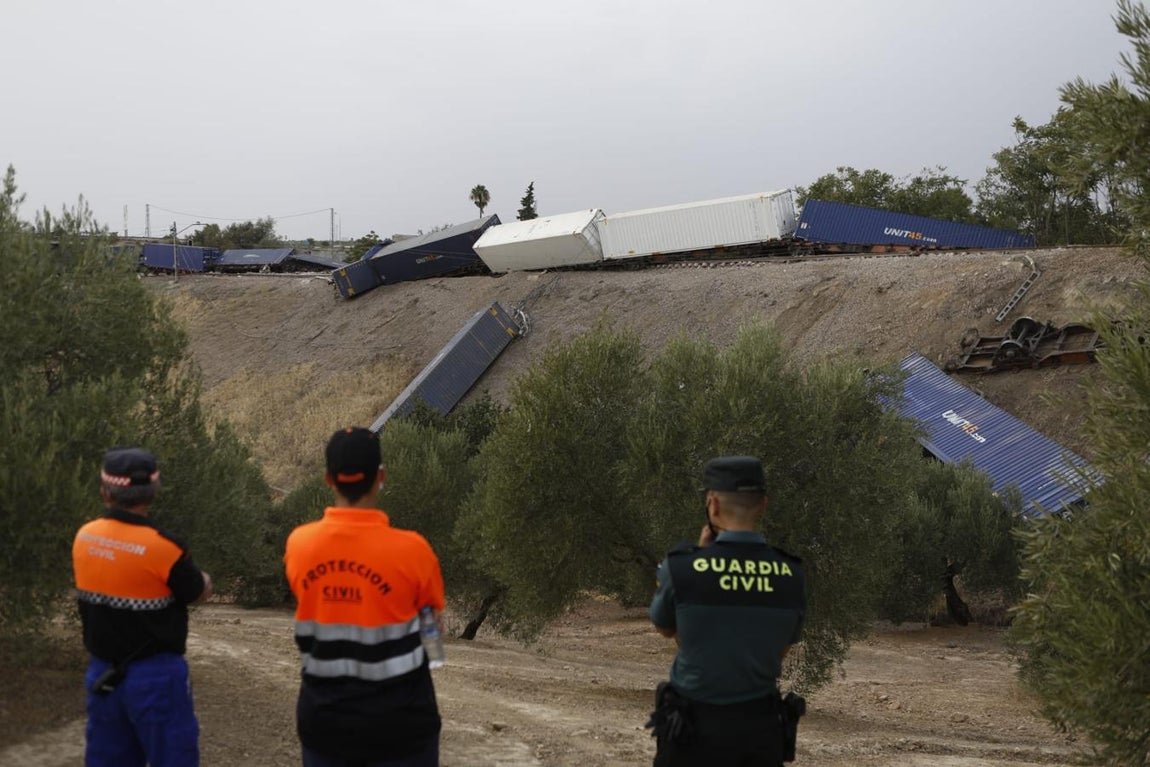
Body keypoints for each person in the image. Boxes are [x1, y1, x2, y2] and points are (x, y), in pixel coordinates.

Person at [284, 427, 446, 767]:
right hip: (403, 728)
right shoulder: (414, 550)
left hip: (325, 724)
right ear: (381, 477)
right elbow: (432, 624)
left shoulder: (299, 545)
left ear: (329, 479)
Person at [647, 456, 807, 767]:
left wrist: (702, 557)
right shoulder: (792, 575)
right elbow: (780, 650)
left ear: (713, 504)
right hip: (759, 734)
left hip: (691, 733)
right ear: (763, 505)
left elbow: (667, 628)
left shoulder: (680, 568)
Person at [71, 446, 213, 767]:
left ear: (105, 492)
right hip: (157, 675)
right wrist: (205, 579)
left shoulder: (84, 537)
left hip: (103, 671)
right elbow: (196, 591)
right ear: (154, 491)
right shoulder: (165, 548)